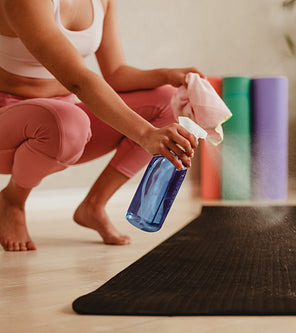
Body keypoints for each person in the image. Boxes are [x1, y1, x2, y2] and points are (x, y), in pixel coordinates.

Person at [0, 0, 205, 251]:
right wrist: (145, 134)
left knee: (165, 102)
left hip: (64, 126)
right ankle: (12, 201)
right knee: (68, 121)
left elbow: (116, 73)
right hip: (9, 123)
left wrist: (169, 76)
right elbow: (78, 80)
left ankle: (94, 206)